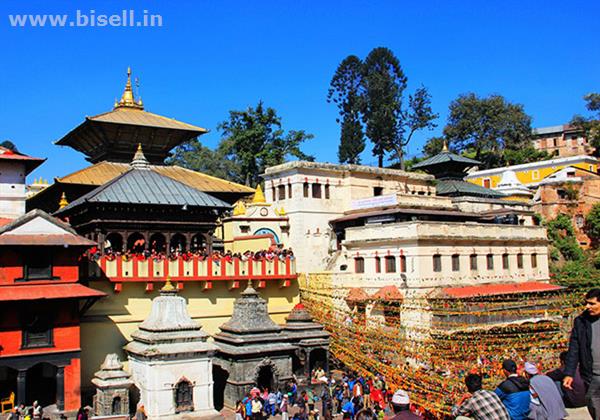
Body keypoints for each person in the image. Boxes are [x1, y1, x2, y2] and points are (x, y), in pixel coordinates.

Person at [563, 288, 600, 420]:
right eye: (586, 303)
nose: (587, 307)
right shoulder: (581, 321)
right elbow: (574, 348)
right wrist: (569, 373)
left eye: (592, 304)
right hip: (592, 374)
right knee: (594, 405)